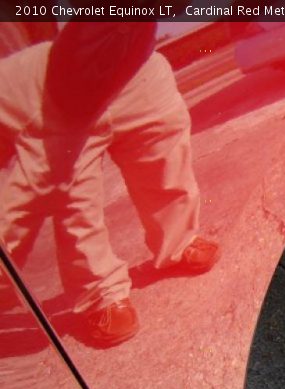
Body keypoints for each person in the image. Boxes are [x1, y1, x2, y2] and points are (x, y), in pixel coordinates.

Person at [0, 23, 219, 346]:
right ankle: (100, 294)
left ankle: (178, 241)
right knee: (73, 197)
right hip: (52, 79)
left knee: (163, 150)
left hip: (131, 56)